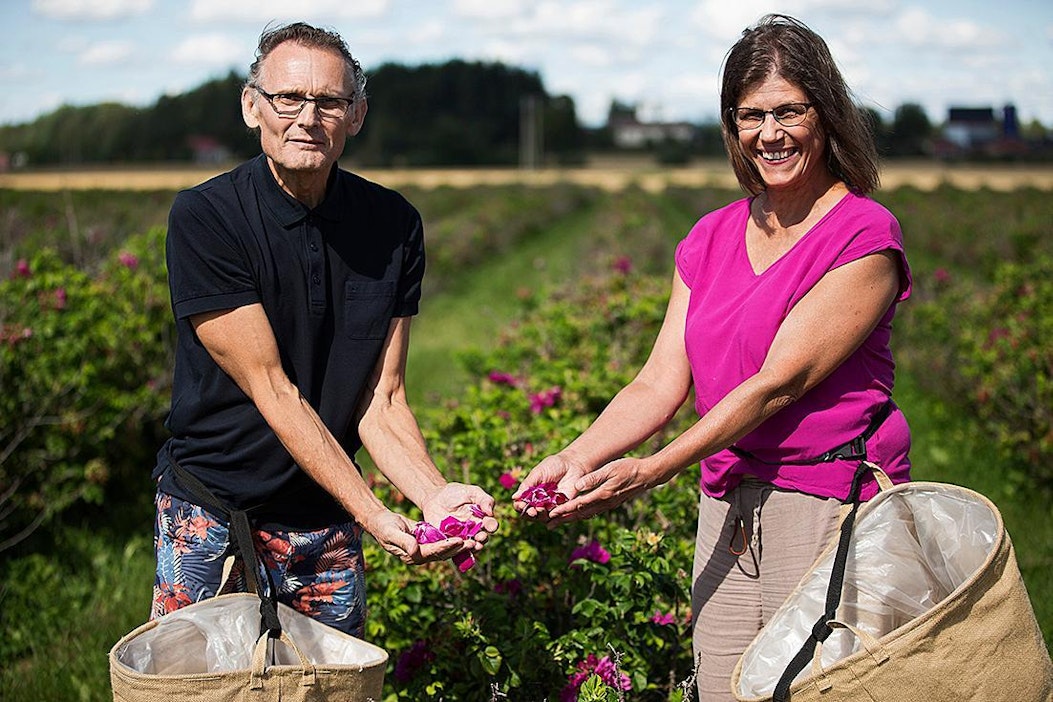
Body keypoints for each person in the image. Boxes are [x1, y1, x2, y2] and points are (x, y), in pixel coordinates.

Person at [514, 14, 911, 700]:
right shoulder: (710, 235)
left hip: (824, 501)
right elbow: (657, 381)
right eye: (750, 115)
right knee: (725, 684)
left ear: (825, 113)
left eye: (789, 110)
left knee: (818, 688)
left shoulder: (862, 234)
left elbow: (776, 385)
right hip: (726, 504)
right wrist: (575, 458)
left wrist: (654, 469)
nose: (770, 133)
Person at [151, 21, 498, 639]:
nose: (307, 118)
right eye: (288, 98)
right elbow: (273, 389)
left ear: (357, 114)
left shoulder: (393, 224)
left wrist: (433, 497)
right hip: (215, 511)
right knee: (200, 685)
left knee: (331, 686)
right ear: (251, 106)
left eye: (330, 101)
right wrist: (373, 514)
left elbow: (382, 398)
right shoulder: (206, 218)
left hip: (323, 518)